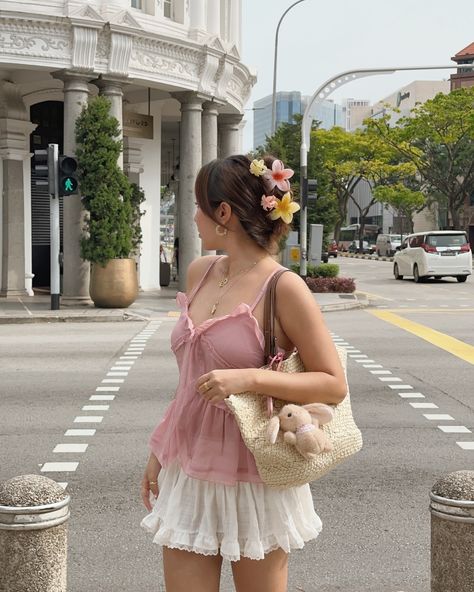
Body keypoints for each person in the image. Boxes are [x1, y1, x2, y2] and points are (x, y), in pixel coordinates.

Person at [140, 154, 347, 592]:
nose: (193, 215)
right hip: (189, 467)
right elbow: (187, 384)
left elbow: (333, 383)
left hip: (255, 471)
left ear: (223, 213)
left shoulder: (284, 287)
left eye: (199, 205)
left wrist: (250, 378)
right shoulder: (200, 272)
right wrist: (159, 452)